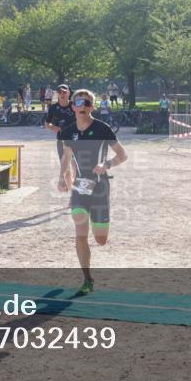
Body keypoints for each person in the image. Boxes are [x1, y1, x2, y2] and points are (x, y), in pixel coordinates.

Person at [58, 88, 127, 295]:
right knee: (80, 234)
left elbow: (123, 155)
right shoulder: (68, 132)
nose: (82, 107)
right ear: (72, 106)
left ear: (92, 107)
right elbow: (67, 157)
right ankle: (87, 279)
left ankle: (102, 227)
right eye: (78, 103)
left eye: (87, 103)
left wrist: (106, 164)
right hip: (80, 188)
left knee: (101, 240)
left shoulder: (102, 129)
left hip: (100, 188)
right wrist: (63, 177)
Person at [45, 84, 77, 186]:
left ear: (69, 93)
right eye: (59, 92)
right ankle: (72, 190)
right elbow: (47, 124)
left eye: (64, 92)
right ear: (57, 94)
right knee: (65, 168)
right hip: (62, 140)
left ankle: (78, 191)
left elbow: (85, 118)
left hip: (76, 139)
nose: (62, 94)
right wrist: (53, 127)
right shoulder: (53, 108)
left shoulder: (75, 105)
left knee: (77, 165)